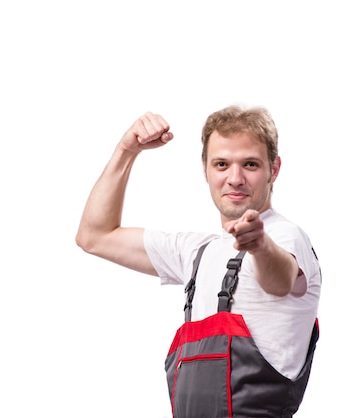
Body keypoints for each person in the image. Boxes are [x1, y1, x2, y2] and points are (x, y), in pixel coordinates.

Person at [75, 105, 321, 417]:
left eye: (250, 164)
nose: (235, 178)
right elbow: (94, 235)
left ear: (274, 169)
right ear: (204, 169)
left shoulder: (285, 237)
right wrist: (126, 151)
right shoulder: (199, 252)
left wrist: (260, 246)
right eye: (221, 164)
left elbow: (280, 280)